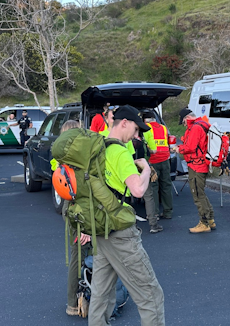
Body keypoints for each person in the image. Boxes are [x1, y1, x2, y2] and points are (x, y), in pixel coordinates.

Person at [89, 105, 165, 325]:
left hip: (101, 227)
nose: (136, 135)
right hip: (120, 232)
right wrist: (147, 169)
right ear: (123, 123)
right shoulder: (120, 151)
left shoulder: (98, 145)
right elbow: (138, 190)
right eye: (135, 129)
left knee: (101, 295)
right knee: (151, 295)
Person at [57, 120, 91, 317]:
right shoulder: (75, 162)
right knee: (78, 257)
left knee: (79, 255)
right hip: (78, 212)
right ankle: (73, 302)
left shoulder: (63, 159)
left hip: (71, 210)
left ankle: (80, 296)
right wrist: (84, 227)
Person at [178, 107, 216, 233]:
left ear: (187, 118)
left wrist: (179, 149)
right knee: (201, 193)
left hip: (196, 165)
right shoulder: (203, 124)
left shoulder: (195, 128)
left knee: (197, 195)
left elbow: (190, 147)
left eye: (183, 122)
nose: (184, 125)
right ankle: (210, 219)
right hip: (201, 164)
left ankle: (204, 223)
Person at [143, 111, 174, 220]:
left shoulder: (145, 128)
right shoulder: (163, 128)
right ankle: (168, 212)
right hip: (165, 160)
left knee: (153, 187)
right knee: (166, 185)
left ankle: (154, 213)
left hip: (153, 161)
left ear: (145, 120)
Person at [133, 127, 162, 234]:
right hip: (142, 170)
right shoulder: (143, 141)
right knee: (148, 196)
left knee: (125, 198)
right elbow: (152, 152)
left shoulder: (124, 140)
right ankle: (153, 224)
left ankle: (129, 226)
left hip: (128, 170)